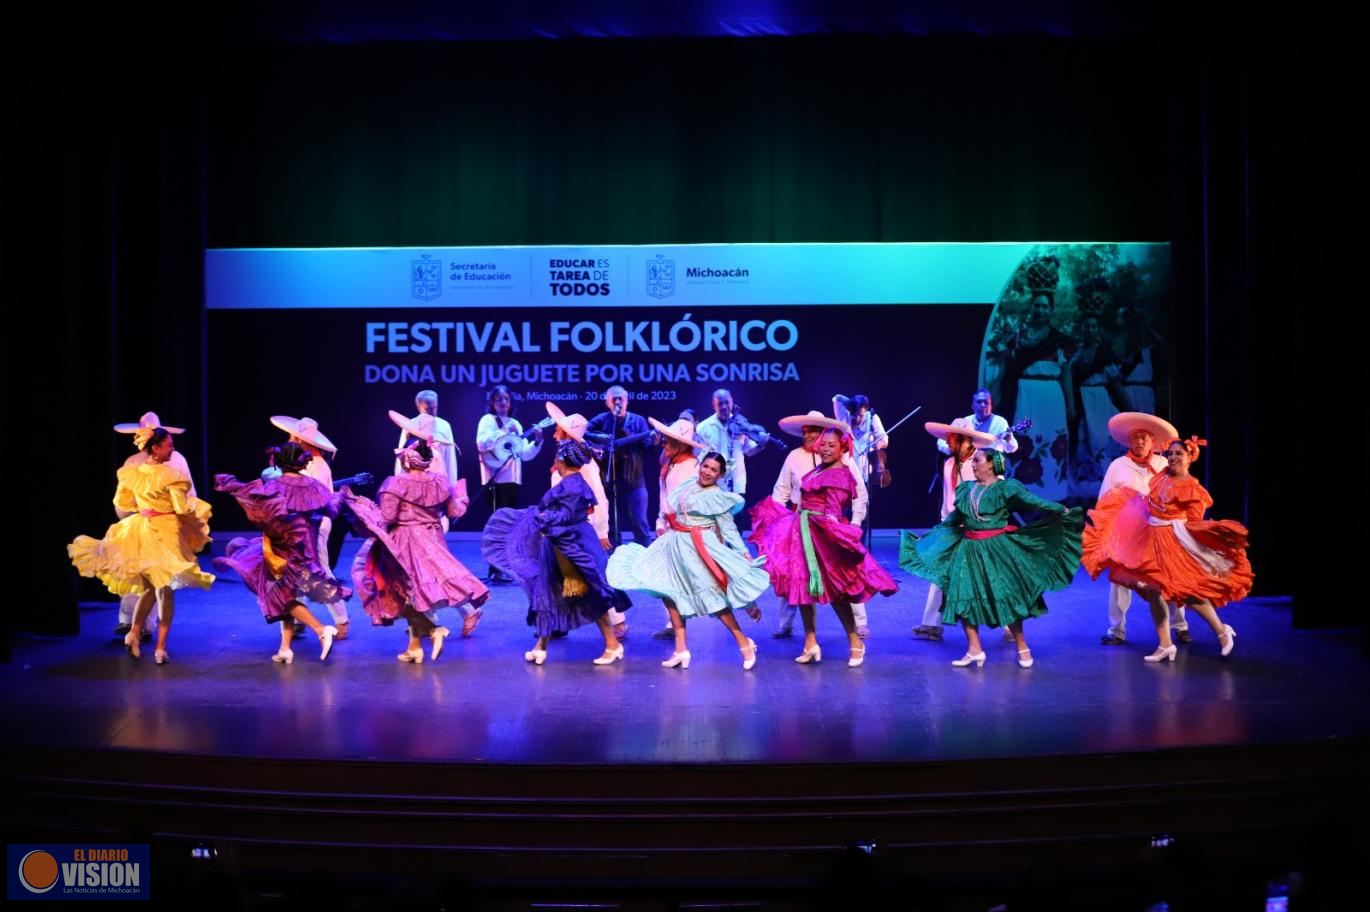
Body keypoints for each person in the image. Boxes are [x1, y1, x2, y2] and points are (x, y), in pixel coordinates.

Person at [900, 448, 1083, 669]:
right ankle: (974, 649)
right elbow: (954, 518)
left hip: (997, 549)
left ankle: (1022, 646)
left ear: (990, 464)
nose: (973, 465)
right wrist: (930, 537)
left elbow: (1034, 502)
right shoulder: (967, 489)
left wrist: (1060, 509)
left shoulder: (1005, 488)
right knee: (961, 596)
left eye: (977, 461)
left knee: (1006, 596)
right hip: (968, 550)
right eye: (973, 461)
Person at [1083, 436, 1253, 662]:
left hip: (1174, 542)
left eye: (1178, 454)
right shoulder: (1161, 476)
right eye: (1170, 453)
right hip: (1152, 540)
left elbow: (1193, 522)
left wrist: (1203, 542)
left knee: (1187, 593)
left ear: (1189, 458)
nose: (1172, 457)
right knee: (1154, 591)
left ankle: (1222, 632)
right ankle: (1165, 644)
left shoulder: (1191, 487)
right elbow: (1148, 503)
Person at [608, 451, 771, 670]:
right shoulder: (688, 484)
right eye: (705, 466)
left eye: (714, 470)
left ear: (720, 474)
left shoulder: (717, 496)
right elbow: (671, 510)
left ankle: (745, 644)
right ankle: (681, 649)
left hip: (699, 547)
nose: (707, 472)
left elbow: (728, 528)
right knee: (669, 593)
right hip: (674, 545)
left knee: (714, 599)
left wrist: (743, 552)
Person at [750, 427, 898, 668]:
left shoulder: (839, 473)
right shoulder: (820, 467)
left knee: (837, 593)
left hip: (820, 534)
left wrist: (835, 528)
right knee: (802, 587)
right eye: (824, 444)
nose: (825, 448)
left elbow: (833, 507)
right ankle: (810, 642)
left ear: (842, 448)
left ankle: (855, 641)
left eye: (831, 445)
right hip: (801, 531)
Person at [69, 426, 214, 664]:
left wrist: (145, 509)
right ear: (155, 448)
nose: (172, 449)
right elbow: (181, 508)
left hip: (141, 527)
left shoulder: (132, 473)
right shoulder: (170, 475)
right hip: (164, 532)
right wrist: (198, 514)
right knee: (165, 591)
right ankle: (160, 649)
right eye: (169, 445)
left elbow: (122, 502)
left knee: (149, 587)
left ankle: (133, 633)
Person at [480, 441, 631, 666]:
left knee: (591, 595)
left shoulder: (573, 485)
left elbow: (566, 515)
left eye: (557, 458)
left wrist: (541, 519)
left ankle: (612, 644)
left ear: (561, 461)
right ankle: (540, 647)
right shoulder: (570, 482)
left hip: (573, 545)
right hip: (559, 544)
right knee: (546, 592)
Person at [346, 433, 489, 663]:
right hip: (432, 534)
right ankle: (414, 647)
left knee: (406, 591)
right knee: (418, 590)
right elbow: (453, 512)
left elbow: (388, 517)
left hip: (405, 540)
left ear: (407, 460)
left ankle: (433, 630)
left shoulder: (396, 484)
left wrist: (364, 509)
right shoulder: (439, 482)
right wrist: (461, 497)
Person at [212, 442, 347, 664]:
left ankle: (321, 629)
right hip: (306, 545)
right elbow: (329, 509)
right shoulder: (313, 486)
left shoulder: (275, 486)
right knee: (287, 592)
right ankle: (285, 647)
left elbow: (259, 508)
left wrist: (232, 485)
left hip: (281, 546)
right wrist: (341, 498)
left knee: (277, 595)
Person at [767, 411, 871, 638]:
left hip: (829, 526)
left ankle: (859, 623)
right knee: (793, 573)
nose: (809, 435)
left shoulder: (843, 460)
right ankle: (786, 624)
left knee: (843, 573)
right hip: (799, 523)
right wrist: (777, 520)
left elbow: (859, 493)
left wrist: (855, 523)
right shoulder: (794, 456)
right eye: (805, 431)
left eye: (814, 430)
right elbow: (781, 491)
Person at [1094, 412, 1188, 646]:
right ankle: (1117, 629)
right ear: (1129, 441)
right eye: (1135, 437)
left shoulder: (1164, 463)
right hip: (1129, 532)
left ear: (1152, 441)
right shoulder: (1118, 466)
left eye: (1144, 438)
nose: (1139, 442)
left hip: (1161, 530)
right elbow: (1104, 499)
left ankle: (1180, 625)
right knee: (1120, 578)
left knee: (1171, 576)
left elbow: (1180, 492)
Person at [110, 411, 197, 642]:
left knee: (150, 575)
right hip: (154, 523)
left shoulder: (173, 460)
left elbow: (122, 502)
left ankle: (137, 625)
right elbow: (186, 498)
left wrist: (132, 517)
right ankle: (139, 627)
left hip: (151, 523)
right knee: (147, 575)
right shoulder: (133, 463)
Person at [546, 402, 627, 638]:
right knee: (557, 573)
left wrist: (601, 531)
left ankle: (616, 619)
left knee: (593, 573)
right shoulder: (563, 456)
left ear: (566, 434)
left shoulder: (584, 463)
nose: (553, 433)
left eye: (557, 430)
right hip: (562, 526)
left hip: (582, 528)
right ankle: (559, 621)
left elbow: (598, 498)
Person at [913, 421, 998, 641]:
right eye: (949, 438)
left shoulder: (982, 461)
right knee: (939, 571)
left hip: (978, 528)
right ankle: (931, 624)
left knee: (989, 575)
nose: (950, 443)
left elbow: (999, 489)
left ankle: (1009, 623)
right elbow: (948, 497)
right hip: (952, 526)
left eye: (955, 439)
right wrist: (944, 523)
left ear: (967, 441)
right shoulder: (949, 463)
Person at [271, 415, 352, 640]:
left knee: (320, 570)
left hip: (313, 523)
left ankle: (341, 620)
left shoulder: (316, 465)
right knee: (296, 570)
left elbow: (308, 496)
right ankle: (297, 620)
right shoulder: (309, 463)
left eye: (294, 437)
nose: (290, 440)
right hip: (301, 523)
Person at [475, 385, 545, 582]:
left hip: (513, 480)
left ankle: (505, 566)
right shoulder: (488, 421)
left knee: (510, 526)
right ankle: (495, 568)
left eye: (506, 399)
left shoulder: (516, 423)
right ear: (492, 403)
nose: (503, 403)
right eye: (499, 400)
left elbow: (523, 454)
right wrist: (505, 430)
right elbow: (482, 443)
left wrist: (538, 441)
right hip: (496, 479)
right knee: (497, 524)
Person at [584, 386, 656, 546]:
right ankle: (610, 564)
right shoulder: (601, 420)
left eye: (620, 399)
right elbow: (582, 432)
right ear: (607, 402)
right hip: (608, 483)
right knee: (609, 527)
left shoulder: (638, 421)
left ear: (627, 400)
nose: (618, 402)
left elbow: (647, 447)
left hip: (634, 482)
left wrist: (654, 441)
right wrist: (600, 441)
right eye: (614, 399)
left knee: (640, 524)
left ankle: (644, 563)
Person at [693, 388, 771, 495]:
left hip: (737, 485)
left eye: (727, 402)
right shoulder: (702, 427)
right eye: (720, 403)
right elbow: (698, 457)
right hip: (711, 487)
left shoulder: (741, 424)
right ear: (713, 405)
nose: (724, 407)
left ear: (732, 402)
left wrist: (761, 445)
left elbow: (748, 451)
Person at [394, 389, 460, 482]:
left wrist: (451, 484)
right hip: (415, 480)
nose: (432, 412)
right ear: (418, 406)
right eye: (428, 409)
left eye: (435, 408)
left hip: (438, 479)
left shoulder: (444, 425)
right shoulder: (410, 425)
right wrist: (399, 480)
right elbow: (402, 456)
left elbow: (450, 458)